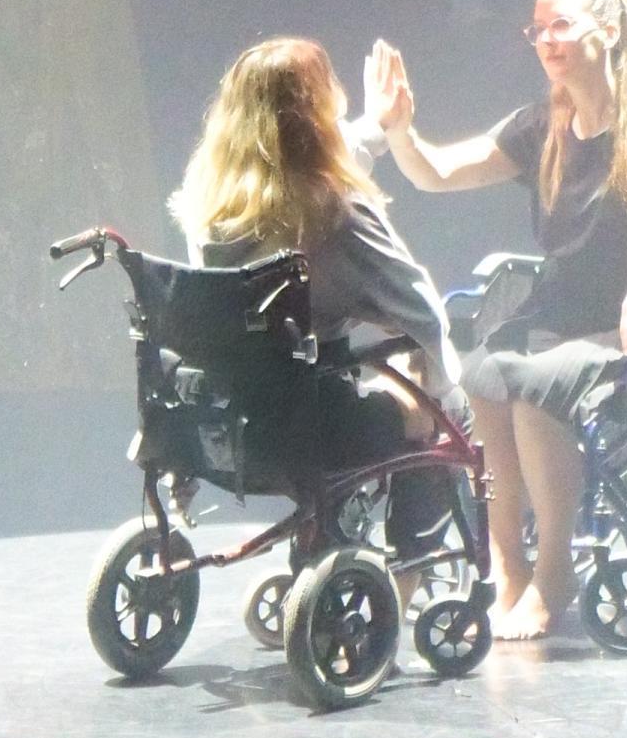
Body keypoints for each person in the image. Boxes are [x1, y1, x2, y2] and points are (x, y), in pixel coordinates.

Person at [364, 0, 627, 639]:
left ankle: (555, 573)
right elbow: (437, 172)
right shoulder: (542, 127)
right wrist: (400, 130)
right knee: (482, 375)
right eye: (537, 29)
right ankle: (507, 566)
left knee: (535, 385)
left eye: (561, 26)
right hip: (557, 313)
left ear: (606, 31)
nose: (546, 41)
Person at [172, 37, 463, 534]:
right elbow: (424, 317)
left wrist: (377, 126)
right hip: (318, 426)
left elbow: (297, 164)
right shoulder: (336, 218)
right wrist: (436, 381)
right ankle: (414, 562)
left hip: (231, 422)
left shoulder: (210, 204)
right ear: (317, 116)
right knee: (449, 408)